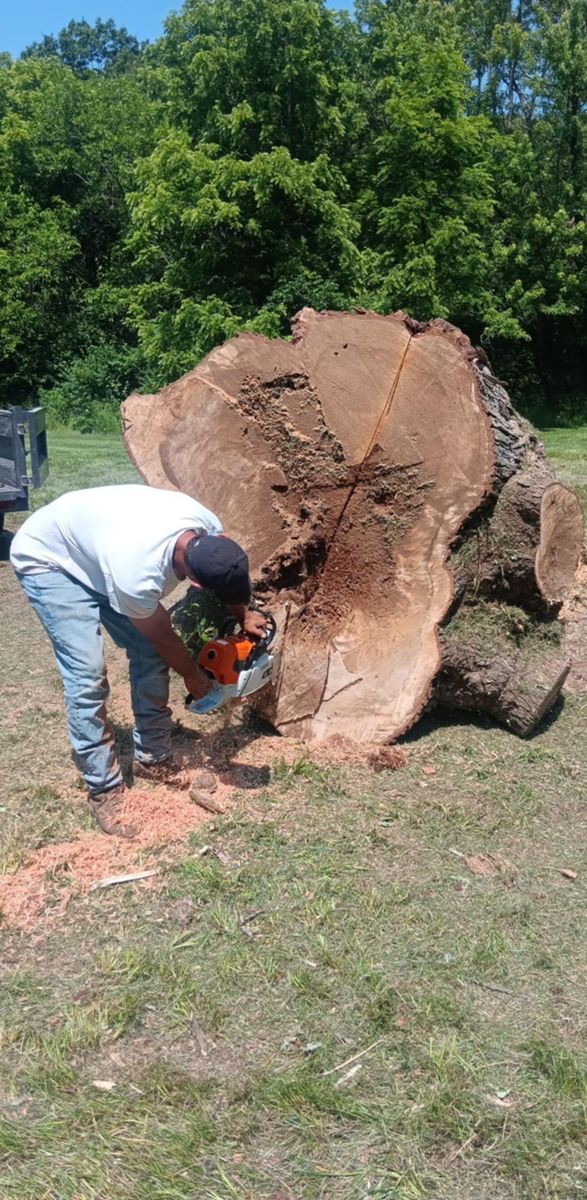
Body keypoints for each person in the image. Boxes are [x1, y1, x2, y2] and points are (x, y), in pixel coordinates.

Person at [10, 484, 267, 838]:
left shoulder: (206, 527)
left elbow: (224, 575)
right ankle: (105, 790)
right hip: (51, 561)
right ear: (193, 580)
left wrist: (243, 613)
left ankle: (153, 758)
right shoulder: (137, 573)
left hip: (99, 552)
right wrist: (192, 675)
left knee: (148, 654)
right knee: (87, 676)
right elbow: (161, 636)